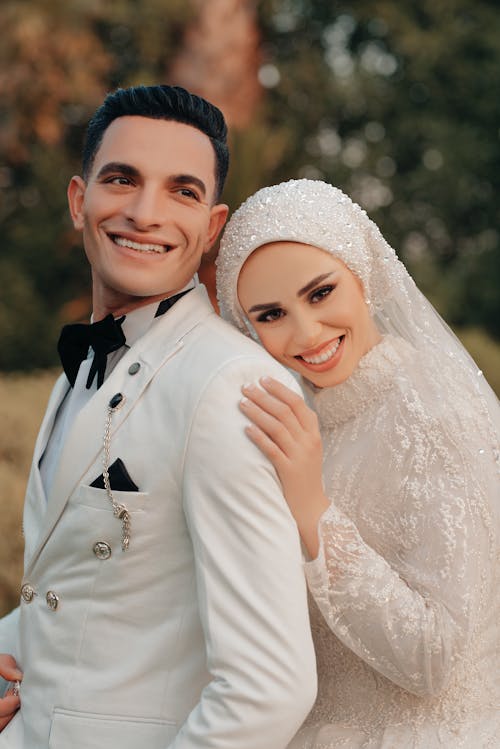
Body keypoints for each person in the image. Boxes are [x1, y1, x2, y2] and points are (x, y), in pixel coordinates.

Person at [0, 88, 317, 748]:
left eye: (182, 191)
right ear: (79, 199)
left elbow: (269, 686)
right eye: (122, 180)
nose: (145, 214)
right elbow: (73, 589)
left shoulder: (232, 386)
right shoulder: (79, 372)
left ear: (212, 225)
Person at [216, 178, 500, 748]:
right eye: (270, 315)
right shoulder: (303, 421)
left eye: (320, 293)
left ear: (363, 275)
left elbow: (434, 657)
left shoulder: (439, 417)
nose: (305, 332)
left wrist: (313, 511)